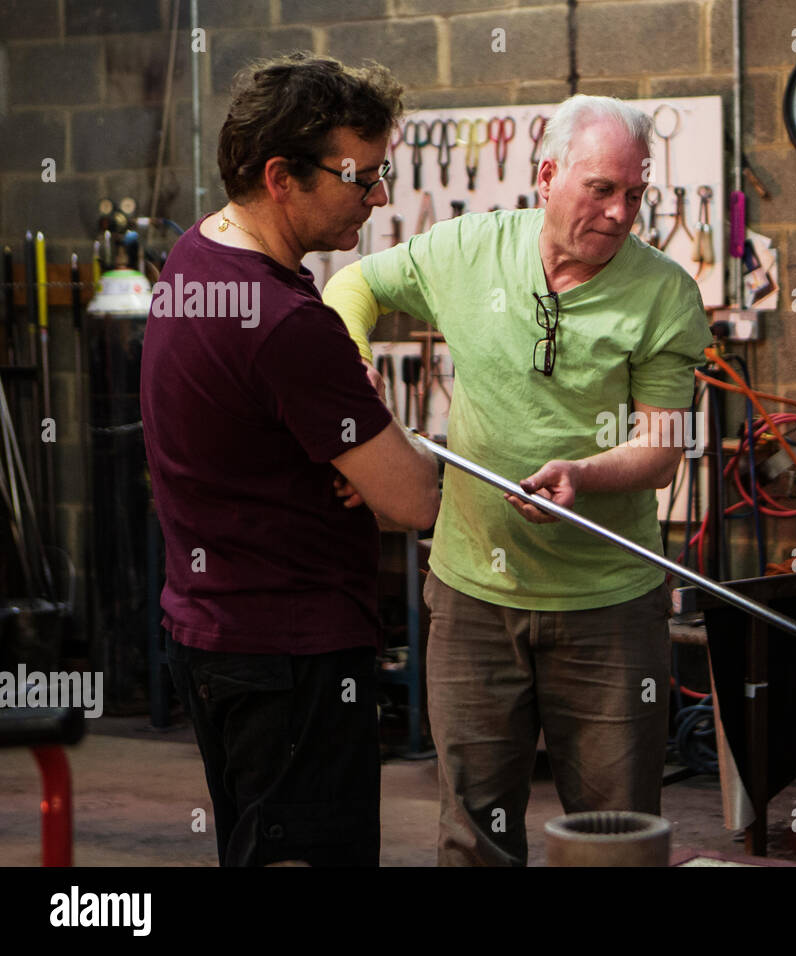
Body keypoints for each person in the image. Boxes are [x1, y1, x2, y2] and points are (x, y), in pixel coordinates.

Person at [323, 94, 711, 866]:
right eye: (601, 189)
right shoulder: (466, 251)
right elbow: (352, 286)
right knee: (475, 838)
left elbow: (664, 447)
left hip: (608, 606)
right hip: (473, 599)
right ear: (546, 175)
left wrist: (585, 473)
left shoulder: (665, 292)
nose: (620, 212)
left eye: (635, 194)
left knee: (616, 838)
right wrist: (349, 359)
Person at [141, 53, 440, 867]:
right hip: (292, 659)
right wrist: (369, 441)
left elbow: (257, 419)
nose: (377, 198)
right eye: (360, 178)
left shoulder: (198, 258)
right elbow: (414, 499)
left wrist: (338, 431)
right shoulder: (285, 323)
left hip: (213, 637)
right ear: (282, 176)